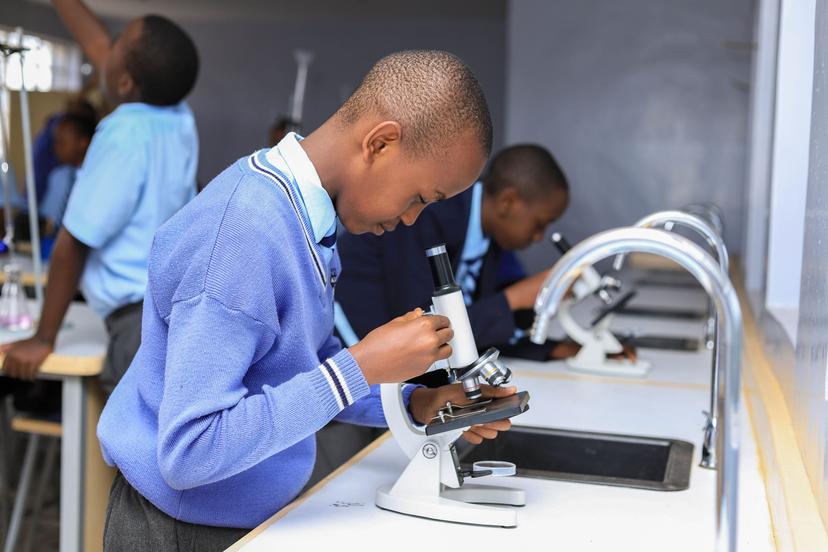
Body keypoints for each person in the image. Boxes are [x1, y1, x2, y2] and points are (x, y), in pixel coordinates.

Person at [96, 50, 514, 552]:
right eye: (420, 197)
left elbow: (297, 370)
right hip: (183, 530)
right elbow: (191, 451)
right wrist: (359, 367)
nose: (411, 220)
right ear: (380, 143)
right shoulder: (242, 233)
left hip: (250, 516)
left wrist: (418, 402)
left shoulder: (304, 216)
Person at [0, 0, 200, 397]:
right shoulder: (178, 116)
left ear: (126, 82)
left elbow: (73, 242)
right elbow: (103, 50)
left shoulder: (122, 134)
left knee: (132, 449)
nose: (107, 47)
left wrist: (44, 338)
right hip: (171, 311)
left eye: (119, 42)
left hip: (134, 326)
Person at [335, 144, 637, 363]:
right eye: (539, 224)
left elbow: (476, 323)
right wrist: (516, 297)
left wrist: (557, 349)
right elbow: (427, 330)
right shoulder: (428, 216)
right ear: (509, 201)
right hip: (349, 359)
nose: (538, 237)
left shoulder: (488, 236)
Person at [40, 111, 97, 235]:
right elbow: (47, 220)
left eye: (62, 142)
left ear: (83, 143)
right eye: (55, 142)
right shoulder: (57, 176)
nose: (56, 148)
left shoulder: (97, 178)